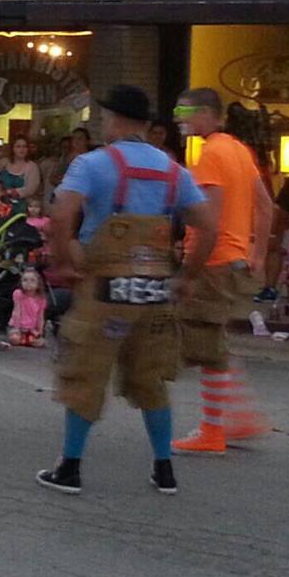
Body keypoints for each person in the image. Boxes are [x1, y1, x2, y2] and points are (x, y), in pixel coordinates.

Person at [38, 85, 214, 497]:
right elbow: (209, 227)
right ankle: (164, 469)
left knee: (85, 374)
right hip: (154, 290)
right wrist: (186, 276)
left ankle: (70, 468)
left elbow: (61, 214)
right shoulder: (174, 171)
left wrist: (64, 261)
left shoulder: (92, 164)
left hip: (105, 289)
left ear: (113, 119)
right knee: (151, 378)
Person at [170, 87, 275, 455]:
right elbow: (266, 207)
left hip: (211, 262)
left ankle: (213, 429)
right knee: (214, 342)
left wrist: (188, 271)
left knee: (207, 345)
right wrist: (257, 254)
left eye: (185, 112)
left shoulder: (211, 155)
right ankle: (236, 418)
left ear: (206, 113)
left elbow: (208, 223)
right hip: (233, 258)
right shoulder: (239, 150)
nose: (179, 119)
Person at [9, 268, 49, 347]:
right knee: (14, 339)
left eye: (32, 281)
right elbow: (17, 311)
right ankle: (23, 339)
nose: (28, 283)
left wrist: (40, 331)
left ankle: (27, 340)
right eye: (25, 280)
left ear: (38, 284)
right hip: (18, 326)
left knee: (39, 342)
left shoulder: (41, 299)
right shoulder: (18, 294)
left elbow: (40, 317)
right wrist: (17, 328)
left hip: (31, 329)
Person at [0, 136, 43, 206]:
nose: (22, 149)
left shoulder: (32, 166)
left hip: (22, 205)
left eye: (24, 146)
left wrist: (13, 192)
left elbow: (31, 189)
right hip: (1, 204)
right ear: (12, 148)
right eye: (18, 146)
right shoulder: (3, 163)